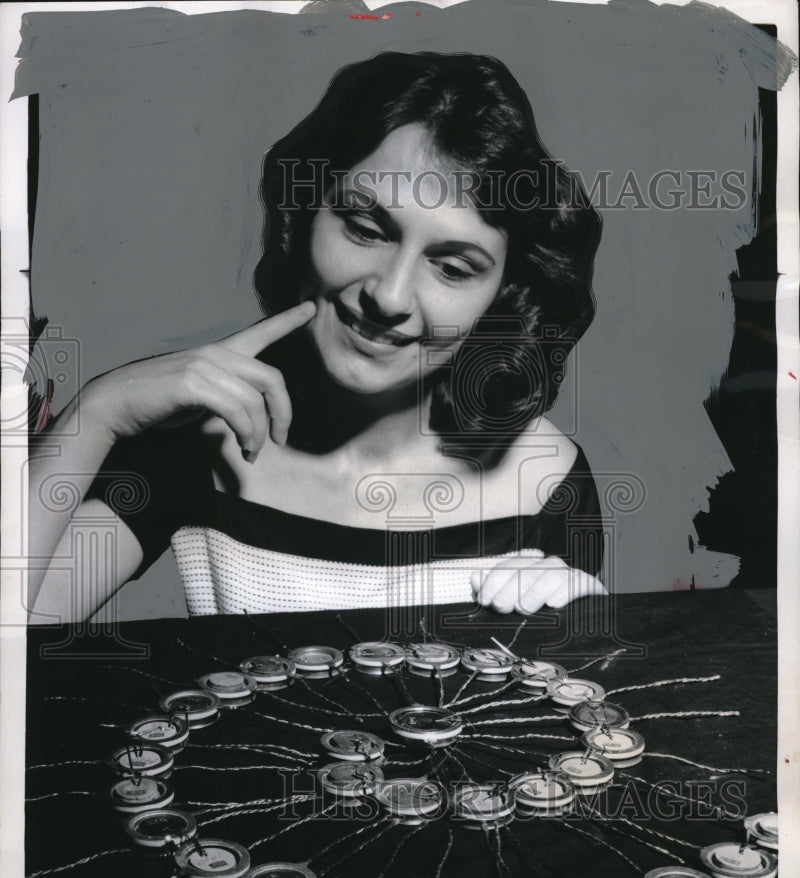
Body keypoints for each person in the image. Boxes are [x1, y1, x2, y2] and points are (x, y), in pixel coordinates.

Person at [28, 51, 607, 622]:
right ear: (303, 215)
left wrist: (588, 632)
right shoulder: (197, 439)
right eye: (365, 230)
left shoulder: (546, 480)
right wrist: (99, 411)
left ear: (503, 295)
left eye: (453, 269)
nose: (390, 297)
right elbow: (12, 635)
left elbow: (565, 679)